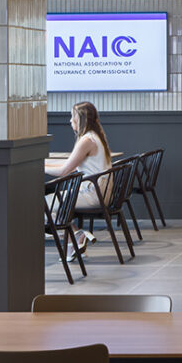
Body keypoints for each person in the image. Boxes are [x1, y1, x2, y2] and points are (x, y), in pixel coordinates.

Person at [47, 101, 114, 253]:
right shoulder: (95, 136)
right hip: (99, 190)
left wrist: (40, 166)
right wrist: (44, 165)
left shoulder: (86, 141)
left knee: (42, 204)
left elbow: (64, 170)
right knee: (49, 205)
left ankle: (75, 235)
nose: (70, 121)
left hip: (93, 193)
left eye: (72, 117)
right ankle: (75, 236)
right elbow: (68, 168)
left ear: (81, 119)